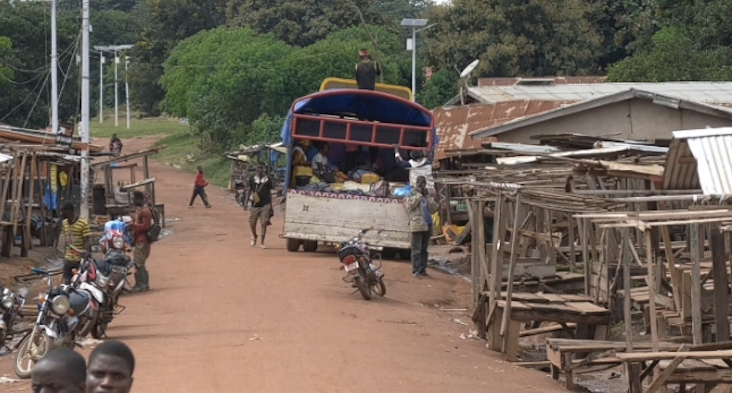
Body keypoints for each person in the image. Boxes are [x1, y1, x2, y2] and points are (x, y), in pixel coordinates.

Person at [405, 176, 439, 278]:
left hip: (427, 225)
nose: (422, 186)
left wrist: (428, 196)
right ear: (417, 184)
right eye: (420, 184)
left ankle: (422, 270)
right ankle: (416, 271)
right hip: (417, 225)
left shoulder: (425, 195)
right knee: (416, 249)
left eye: (424, 184)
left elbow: (434, 208)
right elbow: (411, 205)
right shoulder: (412, 193)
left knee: (424, 249)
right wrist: (419, 194)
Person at [60, 202, 92, 285]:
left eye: (64, 212)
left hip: (79, 261)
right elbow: (65, 241)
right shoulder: (64, 223)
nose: (62, 214)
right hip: (68, 260)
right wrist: (64, 256)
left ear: (70, 211)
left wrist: (85, 256)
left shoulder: (83, 223)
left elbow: (87, 242)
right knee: (67, 283)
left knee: (79, 282)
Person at [127, 191, 153, 292]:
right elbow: (135, 221)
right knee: (139, 262)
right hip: (138, 239)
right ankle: (142, 284)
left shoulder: (145, 211)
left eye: (134, 199)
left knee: (139, 262)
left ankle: (142, 285)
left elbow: (146, 226)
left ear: (138, 199)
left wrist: (133, 226)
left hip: (142, 240)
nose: (132, 201)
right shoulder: (139, 210)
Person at [249, 163, 274, 249]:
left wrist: (271, 206)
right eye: (258, 168)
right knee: (252, 223)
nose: (260, 170)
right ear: (256, 169)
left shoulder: (268, 180)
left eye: (261, 168)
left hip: (265, 204)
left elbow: (269, 193)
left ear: (264, 169)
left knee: (263, 223)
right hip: (255, 205)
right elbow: (249, 190)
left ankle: (262, 242)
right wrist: (246, 202)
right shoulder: (252, 179)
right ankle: (255, 235)